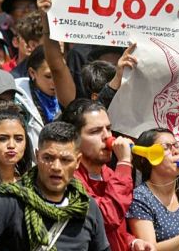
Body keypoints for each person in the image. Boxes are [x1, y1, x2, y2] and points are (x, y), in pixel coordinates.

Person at [0, 121, 111, 250]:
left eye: (65, 160)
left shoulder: (87, 207)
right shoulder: (9, 200)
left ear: (78, 162)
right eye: (48, 158)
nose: (56, 167)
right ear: (37, 156)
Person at [60, 99, 153, 251]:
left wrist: (132, 243)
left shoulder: (110, 174)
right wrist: (124, 162)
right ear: (73, 139)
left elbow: (115, 229)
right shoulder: (67, 179)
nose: (108, 137)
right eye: (95, 131)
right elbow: (106, 218)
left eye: (108, 129)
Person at [15, 46, 59, 150]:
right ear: (32, 73)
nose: (56, 81)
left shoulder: (70, 94)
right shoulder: (18, 98)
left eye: (59, 74)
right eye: (48, 76)